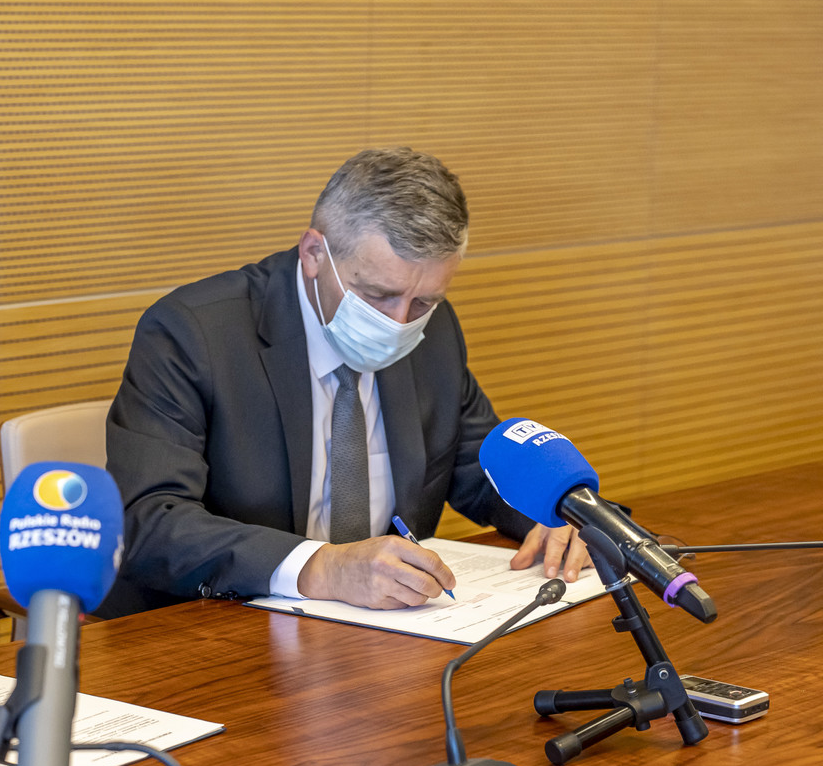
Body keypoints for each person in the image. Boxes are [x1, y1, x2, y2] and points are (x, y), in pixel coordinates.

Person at [98, 147, 589, 619]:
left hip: (387, 632)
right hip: (208, 628)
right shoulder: (193, 333)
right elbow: (150, 519)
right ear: (315, 253)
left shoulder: (433, 331)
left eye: (422, 302)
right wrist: (323, 567)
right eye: (377, 294)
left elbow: (481, 468)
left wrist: (562, 518)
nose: (400, 322)